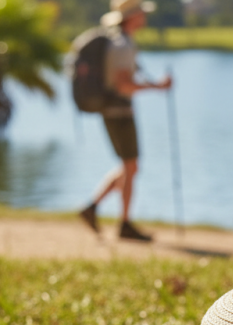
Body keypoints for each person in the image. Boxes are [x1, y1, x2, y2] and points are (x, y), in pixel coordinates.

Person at [79, 0, 172, 242]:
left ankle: (93, 208)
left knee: (129, 166)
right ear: (131, 17)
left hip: (116, 111)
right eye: (142, 12)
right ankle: (124, 224)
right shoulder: (121, 46)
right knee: (131, 167)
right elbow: (122, 84)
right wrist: (156, 87)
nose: (145, 17)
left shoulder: (122, 41)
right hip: (118, 112)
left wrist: (154, 86)